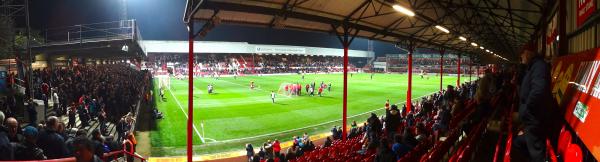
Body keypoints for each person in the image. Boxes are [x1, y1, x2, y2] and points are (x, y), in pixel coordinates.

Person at [512, 43, 554, 162]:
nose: (521, 56)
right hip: (532, 120)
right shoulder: (533, 66)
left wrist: (525, 110)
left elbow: (538, 91)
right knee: (520, 145)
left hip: (535, 120)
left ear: (530, 53)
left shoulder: (539, 66)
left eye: (523, 53)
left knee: (536, 155)